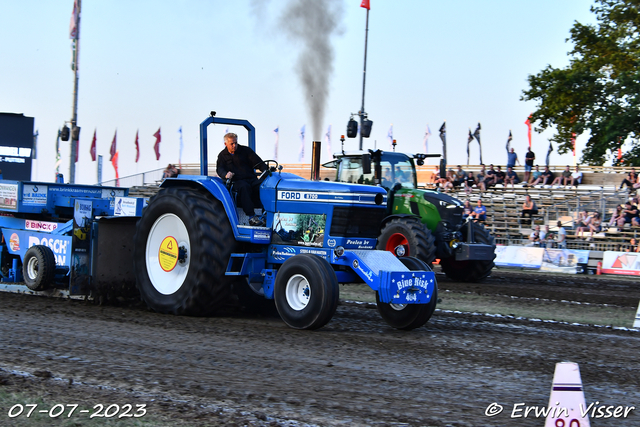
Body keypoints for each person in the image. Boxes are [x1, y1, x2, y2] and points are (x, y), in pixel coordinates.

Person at [216, 132, 267, 226]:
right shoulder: (222, 156)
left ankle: (266, 214)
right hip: (237, 181)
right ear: (225, 144)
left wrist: (266, 170)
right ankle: (251, 217)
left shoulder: (246, 151)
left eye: (235, 143)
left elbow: (259, 163)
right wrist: (226, 174)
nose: (234, 145)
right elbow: (220, 169)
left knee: (264, 186)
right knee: (244, 187)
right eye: (232, 144)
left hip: (251, 178)